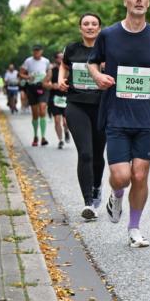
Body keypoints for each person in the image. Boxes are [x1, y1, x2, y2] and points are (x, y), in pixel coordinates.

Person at [88, 0, 150, 248]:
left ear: (148, 2)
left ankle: (134, 228)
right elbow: (92, 62)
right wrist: (98, 76)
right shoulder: (109, 35)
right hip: (116, 115)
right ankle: (116, 195)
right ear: (125, 1)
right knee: (122, 176)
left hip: (147, 116)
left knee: (140, 175)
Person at [58, 13, 107, 220]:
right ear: (80, 28)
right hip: (76, 105)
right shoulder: (72, 49)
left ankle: (96, 187)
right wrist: (61, 79)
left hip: (101, 106)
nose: (90, 27)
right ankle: (88, 203)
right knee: (85, 153)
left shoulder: (106, 49)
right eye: (86, 24)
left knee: (97, 154)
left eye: (94, 24)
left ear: (99, 28)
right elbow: (64, 65)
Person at [20, 45, 51, 146]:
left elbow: (49, 72)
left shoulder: (46, 61)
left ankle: (43, 137)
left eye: (38, 51)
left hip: (42, 87)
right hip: (32, 88)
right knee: (35, 114)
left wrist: (45, 80)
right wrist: (28, 77)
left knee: (42, 109)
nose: (36, 52)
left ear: (41, 51)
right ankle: (35, 136)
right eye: (34, 51)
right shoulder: (28, 61)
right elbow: (21, 73)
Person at [45, 51, 70, 148]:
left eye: (63, 57)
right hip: (55, 98)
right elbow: (44, 83)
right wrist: (52, 85)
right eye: (59, 57)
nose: (62, 59)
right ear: (56, 59)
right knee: (57, 120)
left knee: (66, 122)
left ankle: (66, 131)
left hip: (66, 98)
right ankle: (60, 140)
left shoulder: (69, 69)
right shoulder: (52, 71)